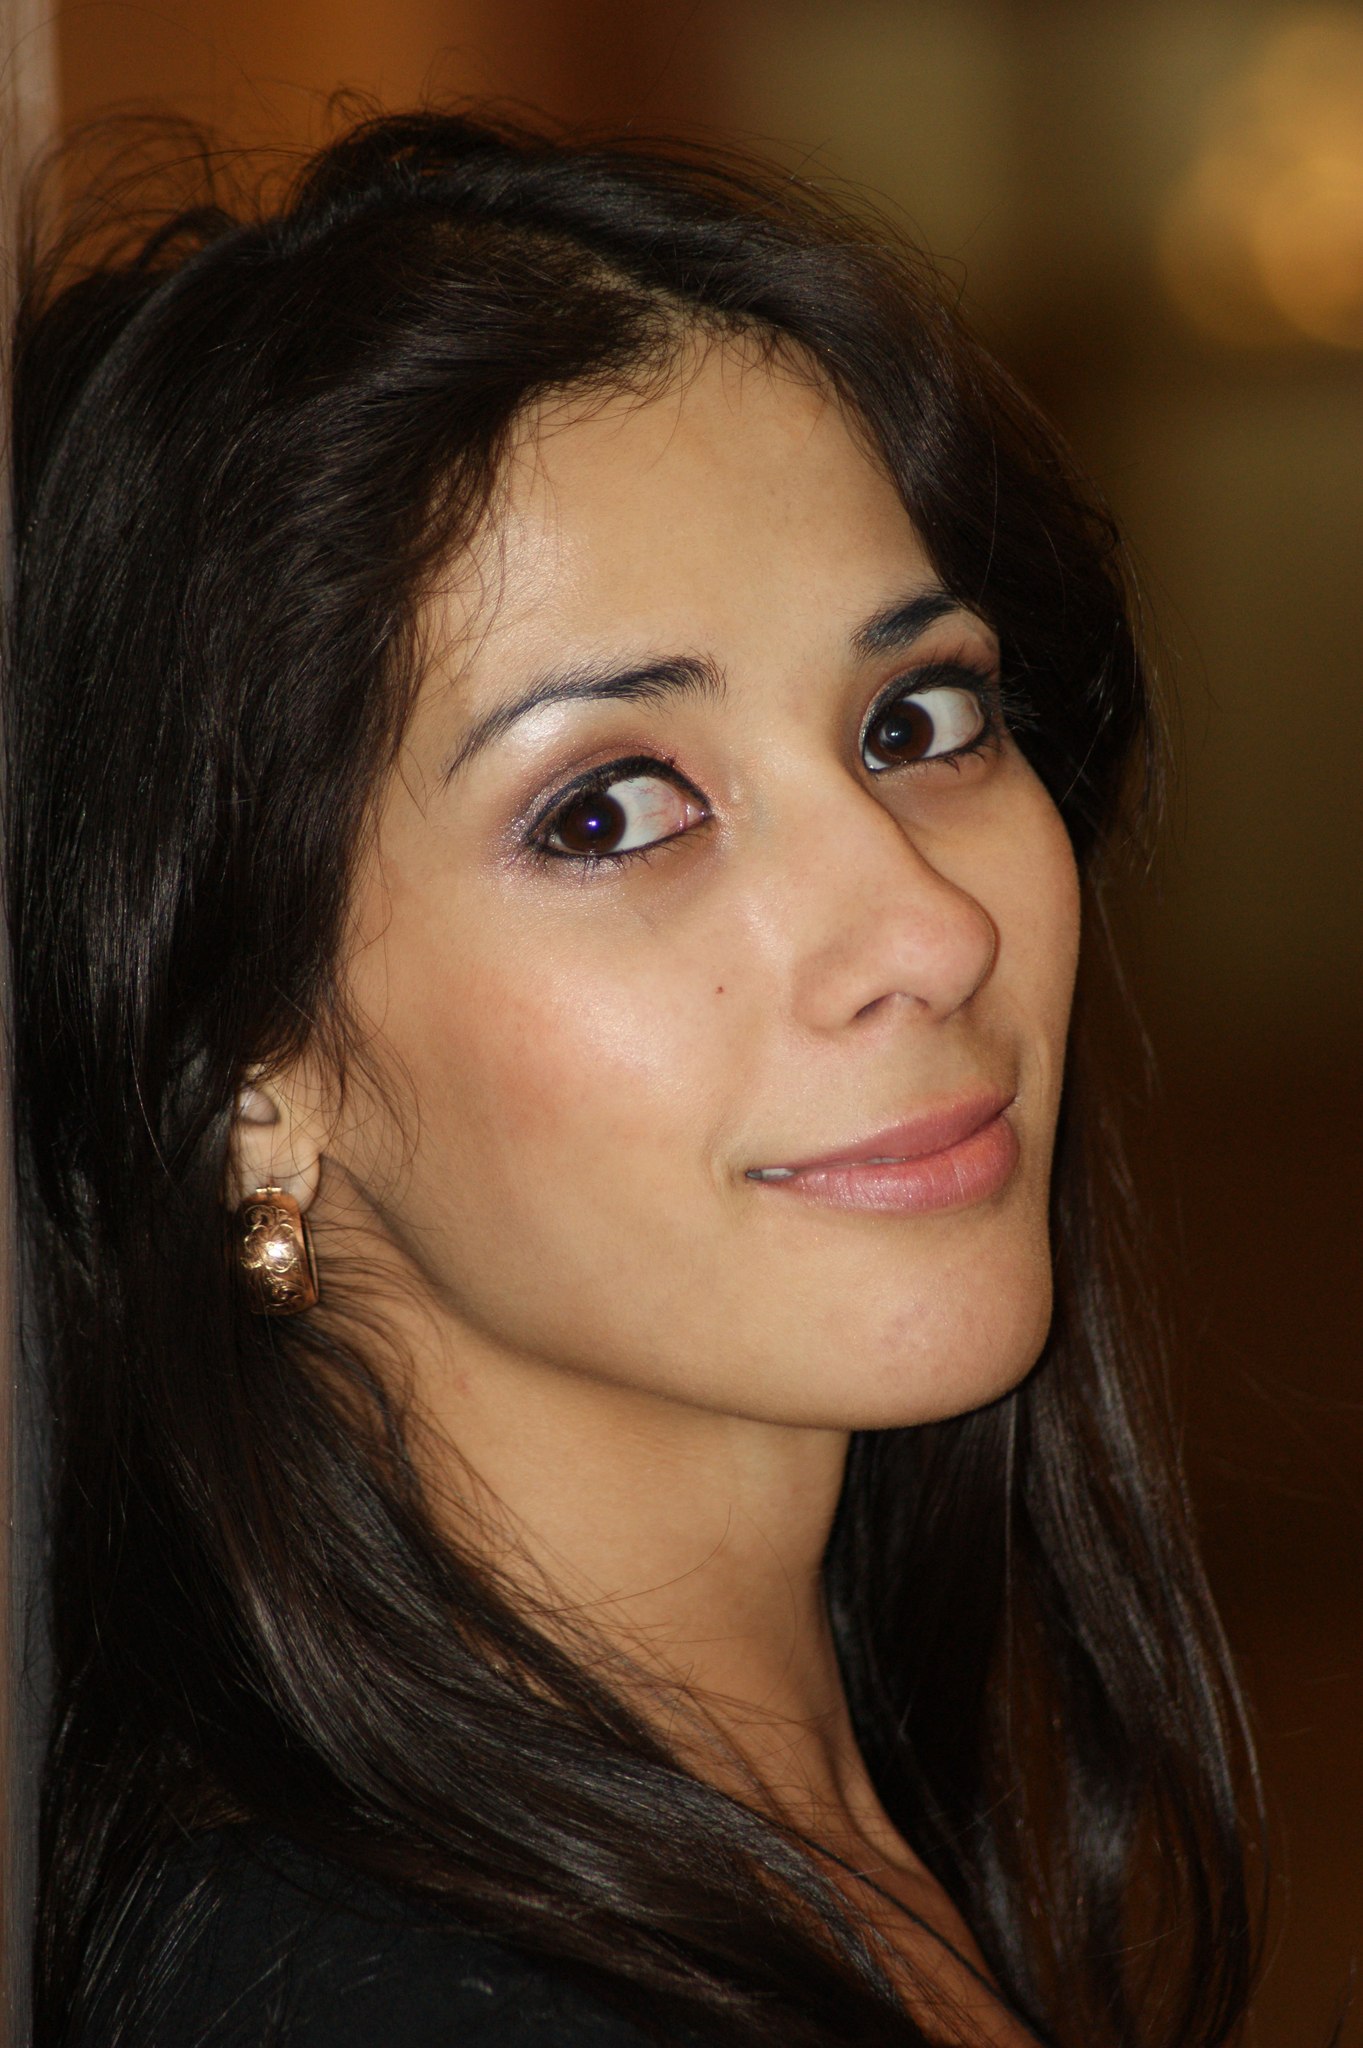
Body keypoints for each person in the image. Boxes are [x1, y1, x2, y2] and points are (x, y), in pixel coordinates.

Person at [7, 109, 1258, 2048]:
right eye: (607, 811)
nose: (928, 926)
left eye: (917, 718)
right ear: (245, 1066)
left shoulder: (795, 1836)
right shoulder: (365, 1997)